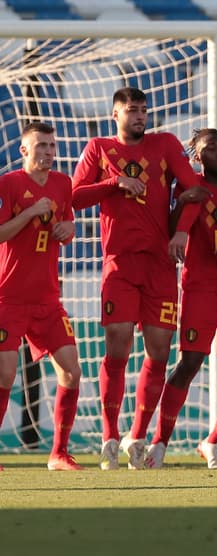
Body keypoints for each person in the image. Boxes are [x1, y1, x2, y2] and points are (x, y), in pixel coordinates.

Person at [72, 87, 204, 470]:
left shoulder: (165, 144)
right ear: (115, 114)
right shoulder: (98, 149)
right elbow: (74, 197)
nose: (140, 116)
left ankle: (138, 436)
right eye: (132, 110)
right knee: (117, 347)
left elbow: (193, 190)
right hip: (120, 264)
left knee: (159, 351)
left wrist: (181, 232)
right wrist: (113, 184)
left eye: (144, 109)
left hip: (160, 265)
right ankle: (109, 436)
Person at [143, 129, 217, 469]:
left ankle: (213, 441)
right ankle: (159, 442)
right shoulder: (188, 186)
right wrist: (181, 202)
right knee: (190, 363)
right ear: (197, 157)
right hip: (199, 289)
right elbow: (169, 231)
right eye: (211, 148)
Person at [0, 122, 84, 471]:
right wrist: (30, 213)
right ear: (24, 150)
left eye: (52, 145)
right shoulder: (8, 184)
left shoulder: (63, 183)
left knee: (72, 371)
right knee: (5, 376)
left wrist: (69, 230)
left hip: (48, 299)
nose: (49, 152)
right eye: (41, 146)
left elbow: (67, 224)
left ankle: (59, 454)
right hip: (7, 298)